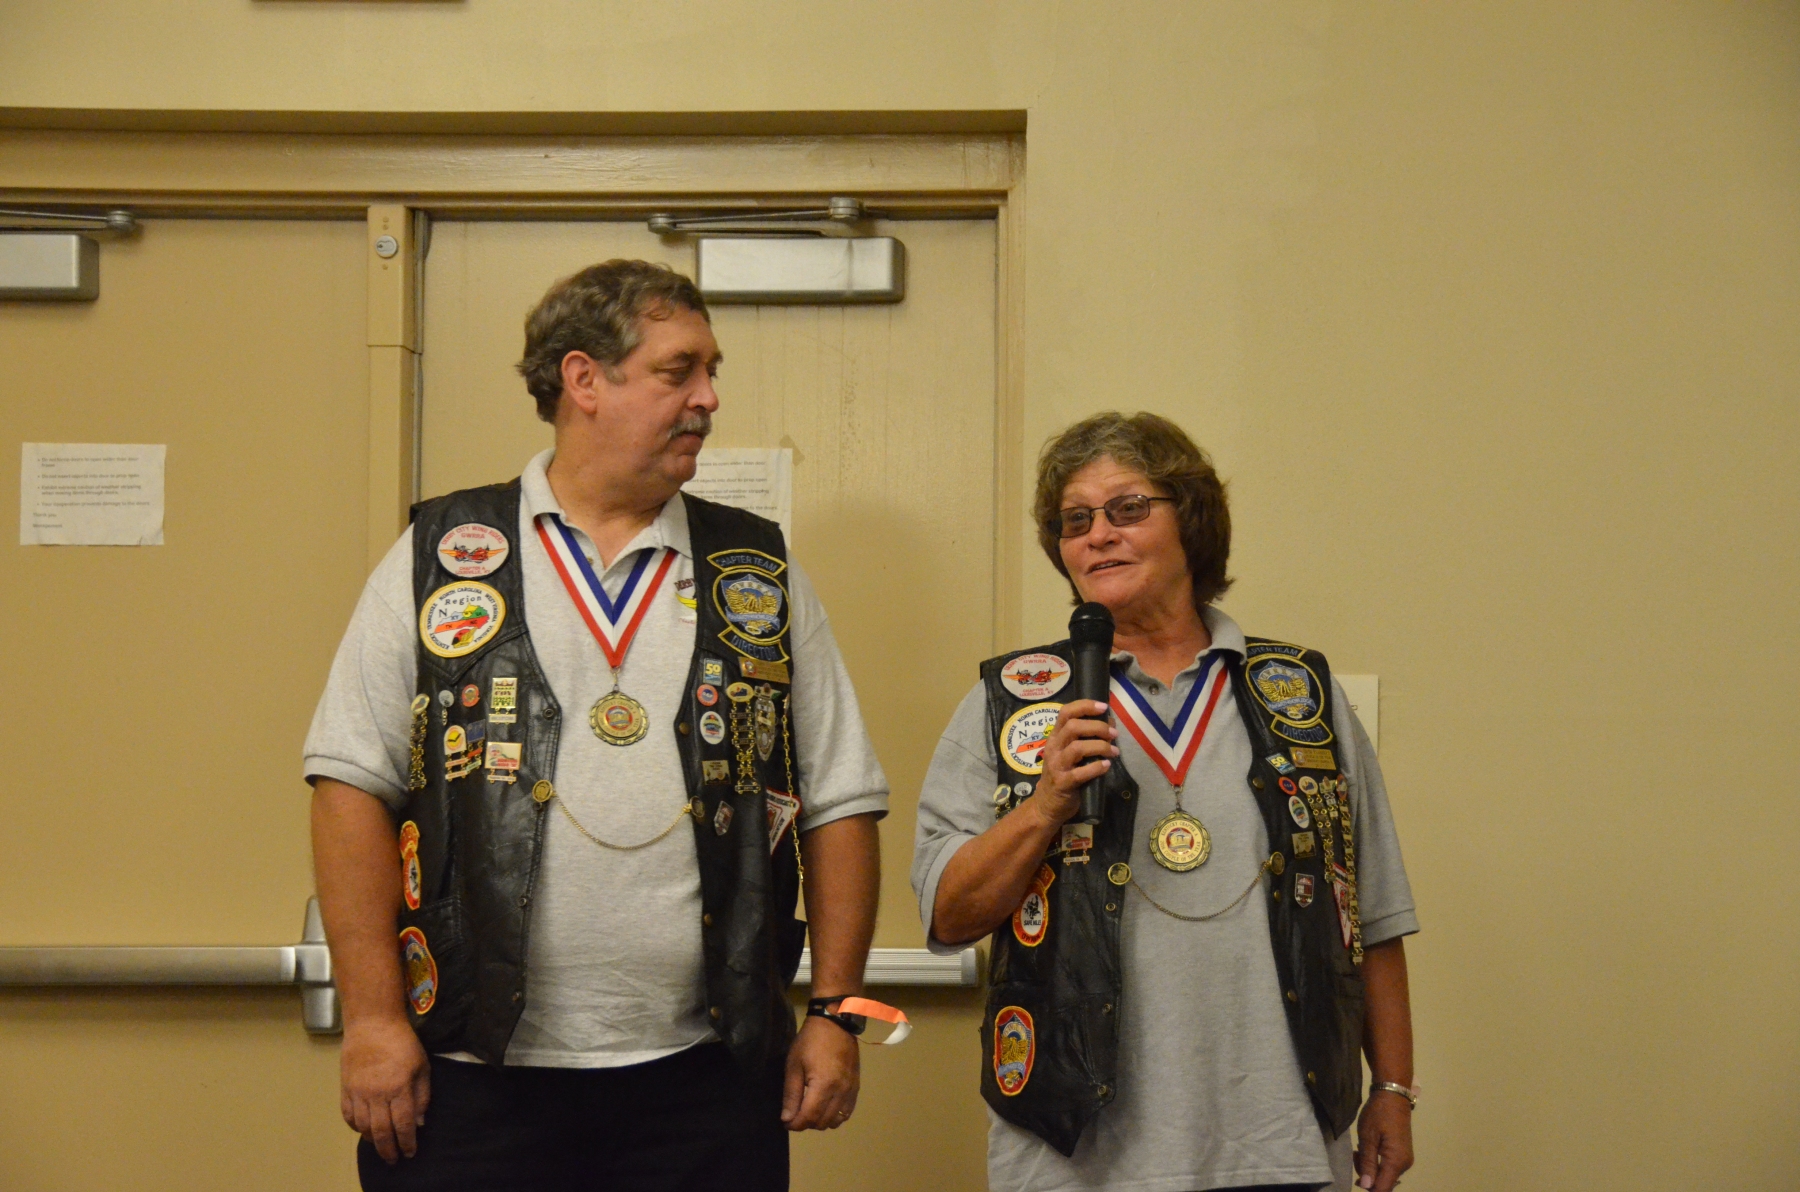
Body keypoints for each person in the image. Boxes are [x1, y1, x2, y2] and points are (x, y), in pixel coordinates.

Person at [305, 259, 887, 1191]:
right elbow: (348, 786)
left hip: (707, 1083)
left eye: (710, 372)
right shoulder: (442, 555)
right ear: (584, 379)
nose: (708, 398)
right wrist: (373, 1018)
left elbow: (841, 801)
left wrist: (837, 1012)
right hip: (470, 1079)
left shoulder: (756, 569)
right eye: (678, 371)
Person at [913, 412, 1419, 1192]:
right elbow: (949, 916)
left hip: (1275, 1144)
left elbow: (1373, 919)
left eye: (1127, 508)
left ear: (1192, 520)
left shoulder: (1302, 700)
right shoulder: (1008, 703)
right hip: (1075, 1155)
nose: (1098, 535)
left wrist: (1392, 1089)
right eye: (1075, 520)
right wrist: (1044, 806)